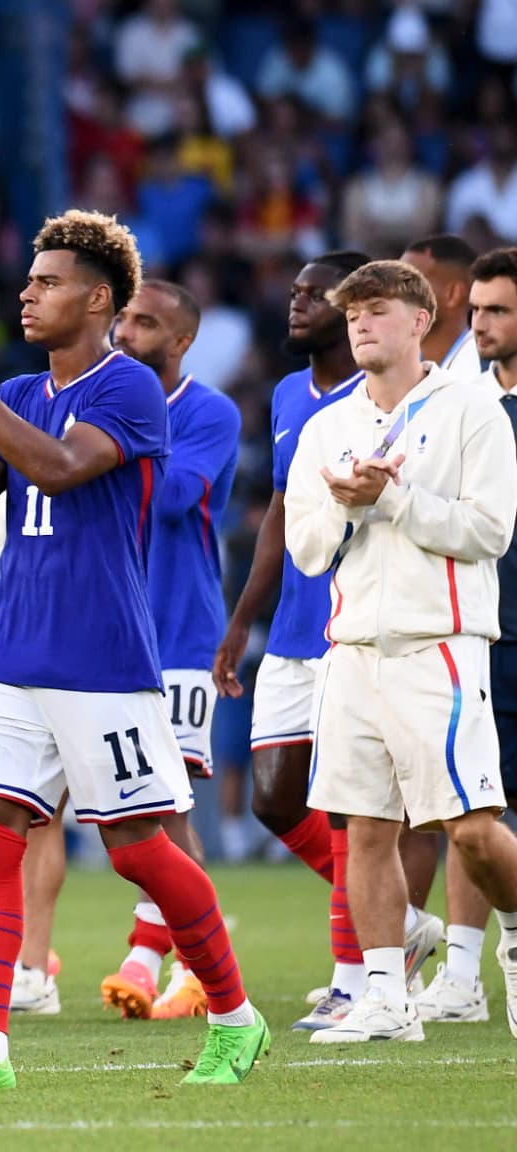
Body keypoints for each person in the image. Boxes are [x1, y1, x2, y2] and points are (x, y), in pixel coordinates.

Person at [0, 209, 267, 1090]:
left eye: (47, 281)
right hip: (8, 651)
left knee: (140, 848)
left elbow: (62, 467)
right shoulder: (17, 392)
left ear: (100, 299)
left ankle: (236, 1019)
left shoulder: (129, 387)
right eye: (26, 279)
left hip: (101, 655)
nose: (26, 292)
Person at [284, 257, 517, 1043]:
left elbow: (490, 530)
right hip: (350, 649)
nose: (358, 323)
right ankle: (385, 996)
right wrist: (353, 510)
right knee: (365, 829)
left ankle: (513, 938)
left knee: (474, 829)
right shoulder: (327, 425)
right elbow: (308, 549)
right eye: (352, 312)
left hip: (440, 646)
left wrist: (393, 499)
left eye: (376, 309)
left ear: (421, 321)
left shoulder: (472, 411)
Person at [215, 251, 442, 1030]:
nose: (297, 303)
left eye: (319, 295)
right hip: (291, 627)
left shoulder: (389, 399)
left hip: (359, 625)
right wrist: (244, 614)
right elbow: (281, 512)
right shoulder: (288, 396)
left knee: (356, 809)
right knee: (279, 799)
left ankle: (357, 974)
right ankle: (402, 926)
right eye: (300, 293)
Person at [100, 278, 242, 1020]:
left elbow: (177, 495)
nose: (125, 332)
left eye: (145, 323)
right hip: (107, 630)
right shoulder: (98, 398)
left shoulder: (209, 412)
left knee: (173, 802)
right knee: (121, 808)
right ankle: (151, 956)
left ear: (182, 341)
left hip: (181, 631)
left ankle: (181, 963)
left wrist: (103, 441)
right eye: (122, 318)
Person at [416, 246, 517, 1025]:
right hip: (482, 632)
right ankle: (459, 975)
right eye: (476, 309)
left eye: (497, 312)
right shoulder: (454, 403)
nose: (478, 324)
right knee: (473, 806)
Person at [402, 234, 482, 376]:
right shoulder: (392, 370)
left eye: (408, 282)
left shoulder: (487, 376)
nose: (392, 294)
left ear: (453, 294)